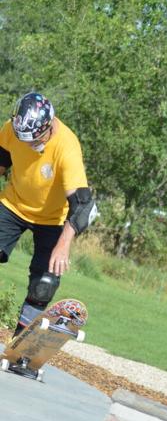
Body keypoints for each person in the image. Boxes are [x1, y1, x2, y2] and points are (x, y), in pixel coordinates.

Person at [0, 91, 97, 335]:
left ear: (50, 124)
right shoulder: (11, 130)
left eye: (35, 140)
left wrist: (64, 244)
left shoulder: (67, 146)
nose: (29, 145)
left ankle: (21, 343)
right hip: (13, 204)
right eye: (24, 140)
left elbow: (84, 205)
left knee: (44, 285)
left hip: (52, 219)